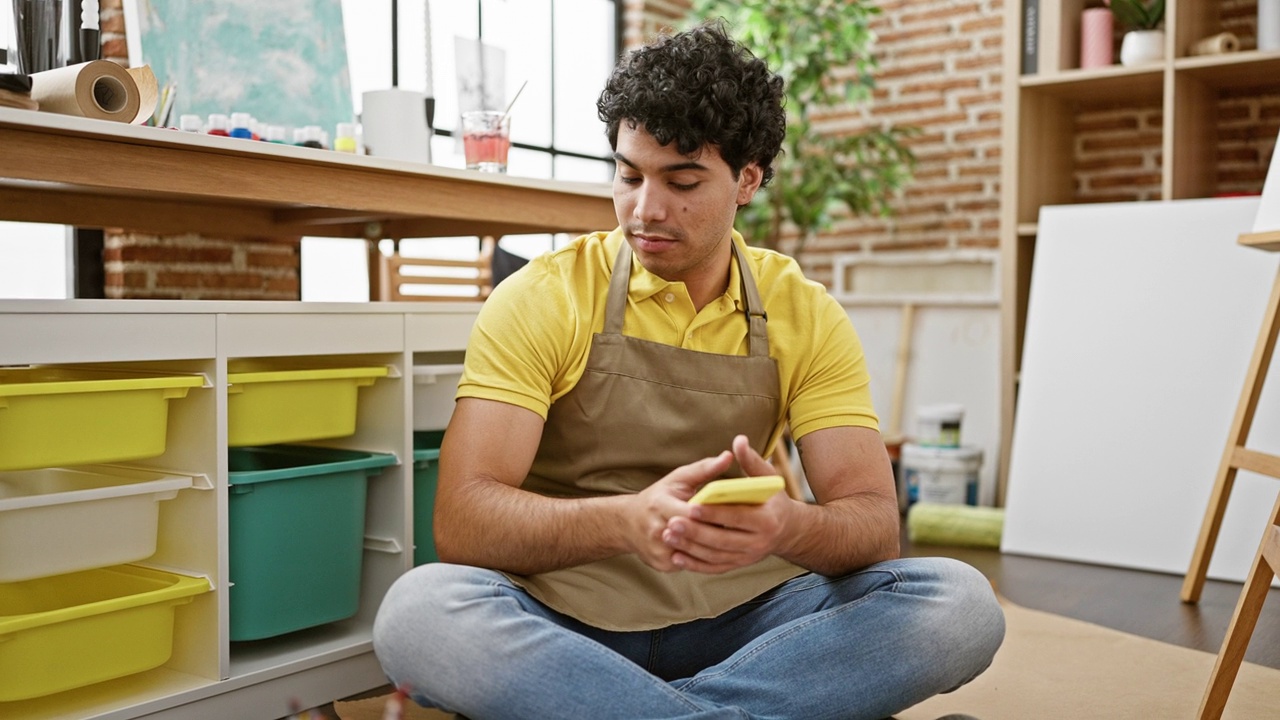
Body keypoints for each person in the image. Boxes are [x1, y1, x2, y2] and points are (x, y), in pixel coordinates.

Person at [373, 21, 1004, 720]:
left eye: (682, 181)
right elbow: (462, 520)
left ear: (749, 181)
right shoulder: (544, 296)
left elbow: (873, 524)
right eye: (629, 174)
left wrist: (786, 527)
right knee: (419, 612)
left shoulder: (807, 314)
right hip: (563, 618)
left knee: (959, 605)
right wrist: (625, 521)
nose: (645, 209)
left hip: (749, 620)